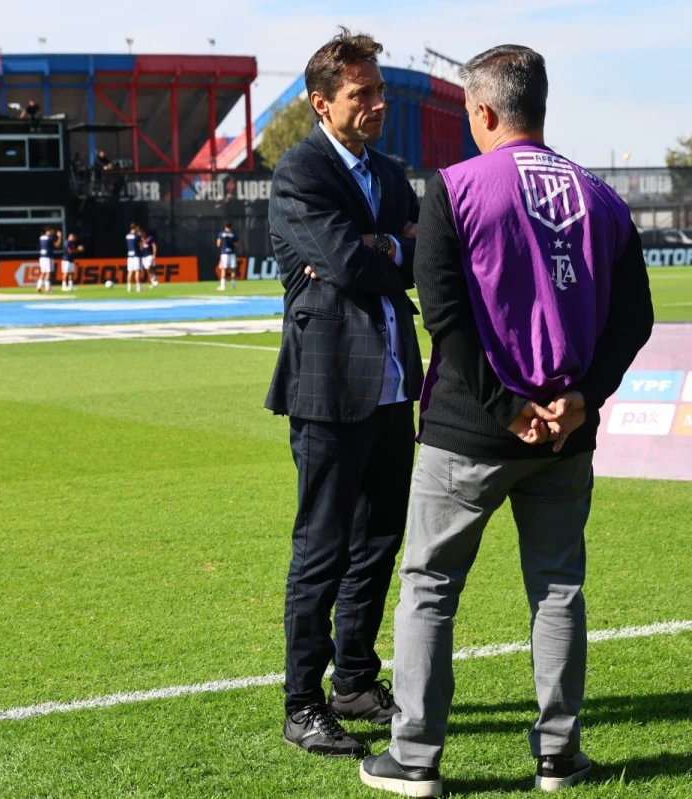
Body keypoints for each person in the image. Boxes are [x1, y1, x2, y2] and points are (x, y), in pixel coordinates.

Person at [359, 45, 653, 797]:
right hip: (565, 432)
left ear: (484, 111)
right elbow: (635, 319)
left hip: (469, 430)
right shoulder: (602, 196)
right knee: (558, 588)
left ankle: (415, 757)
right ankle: (560, 756)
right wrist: (585, 396)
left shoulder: (456, 185)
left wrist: (504, 405)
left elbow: (444, 315)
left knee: (430, 587)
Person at [265, 27, 422, 759]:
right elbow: (344, 263)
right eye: (362, 93)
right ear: (321, 102)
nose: (377, 103)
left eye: (380, 90)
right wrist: (387, 246)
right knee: (322, 547)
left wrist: (383, 246)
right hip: (328, 387)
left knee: (380, 541)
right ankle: (302, 702)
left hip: (392, 384)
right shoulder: (299, 172)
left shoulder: (390, 173)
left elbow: (420, 257)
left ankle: (354, 681)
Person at [216, 221, 238, 290]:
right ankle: (233, 285)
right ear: (231, 227)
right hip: (232, 253)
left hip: (224, 254)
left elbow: (218, 244)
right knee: (233, 269)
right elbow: (236, 244)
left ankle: (223, 286)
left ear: (225, 226)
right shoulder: (233, 234)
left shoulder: (221, 234)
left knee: (223, 269)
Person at [36, 227, 56, 293]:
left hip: (42, 257)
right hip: (48, 256)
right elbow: (57, 245)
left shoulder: (41, 237)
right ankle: (47, 288)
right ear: (48, 231)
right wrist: (59, 238)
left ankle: (38, 287)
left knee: (43, 272)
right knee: (48, 272)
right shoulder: (50, 238)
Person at [125, 223, 143, 292]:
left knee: (130, 272)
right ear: (135, 228)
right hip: (136, 255)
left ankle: (129, 287)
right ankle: (138, 287)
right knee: (137, 271)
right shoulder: (137, 236)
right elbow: (141, 246)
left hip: (129, 255)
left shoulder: (127, 236)